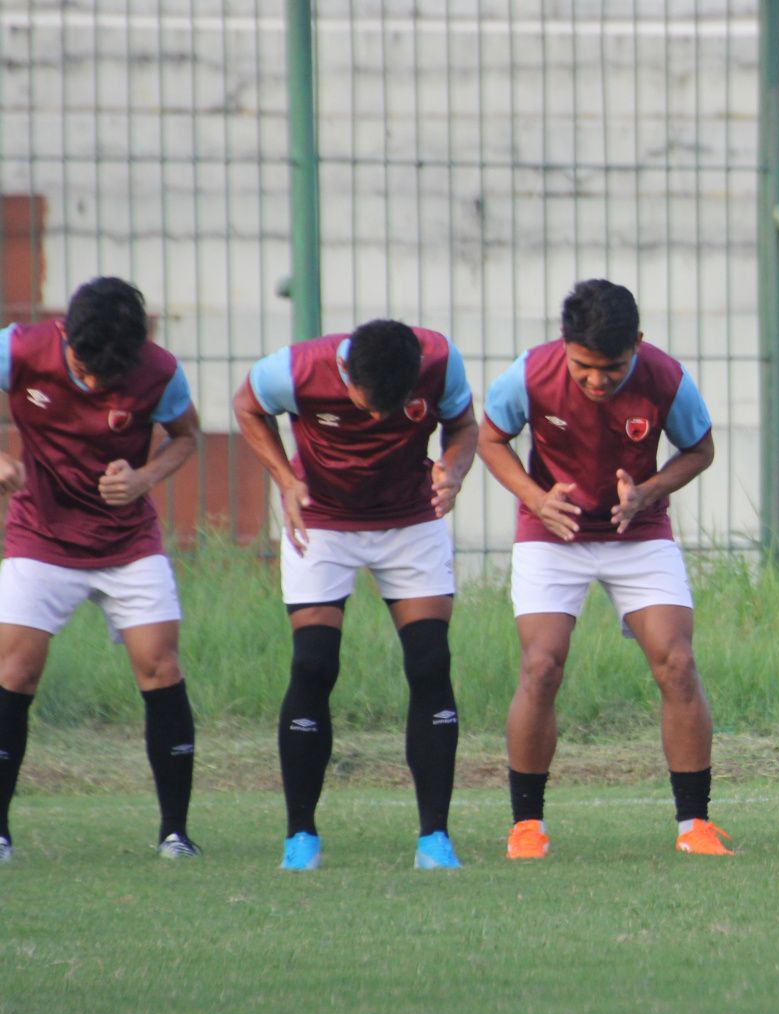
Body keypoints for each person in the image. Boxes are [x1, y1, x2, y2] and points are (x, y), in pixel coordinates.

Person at [478, 279, 733, 859]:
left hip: (635, 530)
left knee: (678, 662)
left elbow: (700, 450)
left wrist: (647, 492)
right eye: (583, 367)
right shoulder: (526, 375)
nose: (597, 381)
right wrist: (536, 498)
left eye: (612, 368)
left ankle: (695, 825)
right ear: (563, 345)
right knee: (541, 666)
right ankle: (526, 827)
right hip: (554, 530)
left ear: (637, 345)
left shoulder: (667, 379)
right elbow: (492, 440)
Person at [233, 319, 478, 871]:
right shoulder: (293, 369)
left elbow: (463, 426)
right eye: (368, 409)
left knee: (431, 661)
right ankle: (301, 837)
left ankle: (434, 840)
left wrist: (454, 470)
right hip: (321, 520)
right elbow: (246, 406)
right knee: (314, 665)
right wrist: (283, 477)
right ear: (346, 375)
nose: (377, 422)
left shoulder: (441, 360)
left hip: (411, 519)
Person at [0, 277, 203, 861]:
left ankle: (175, 834)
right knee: (15, 671)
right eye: (81, 371)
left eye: (104, 380)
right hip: (41, 536)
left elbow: (185, 436)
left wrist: (143, 478)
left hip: (127, 543)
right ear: (66, 336)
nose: (90, 385)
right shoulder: (20, 348)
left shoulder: (159, 372)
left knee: (160, 667)